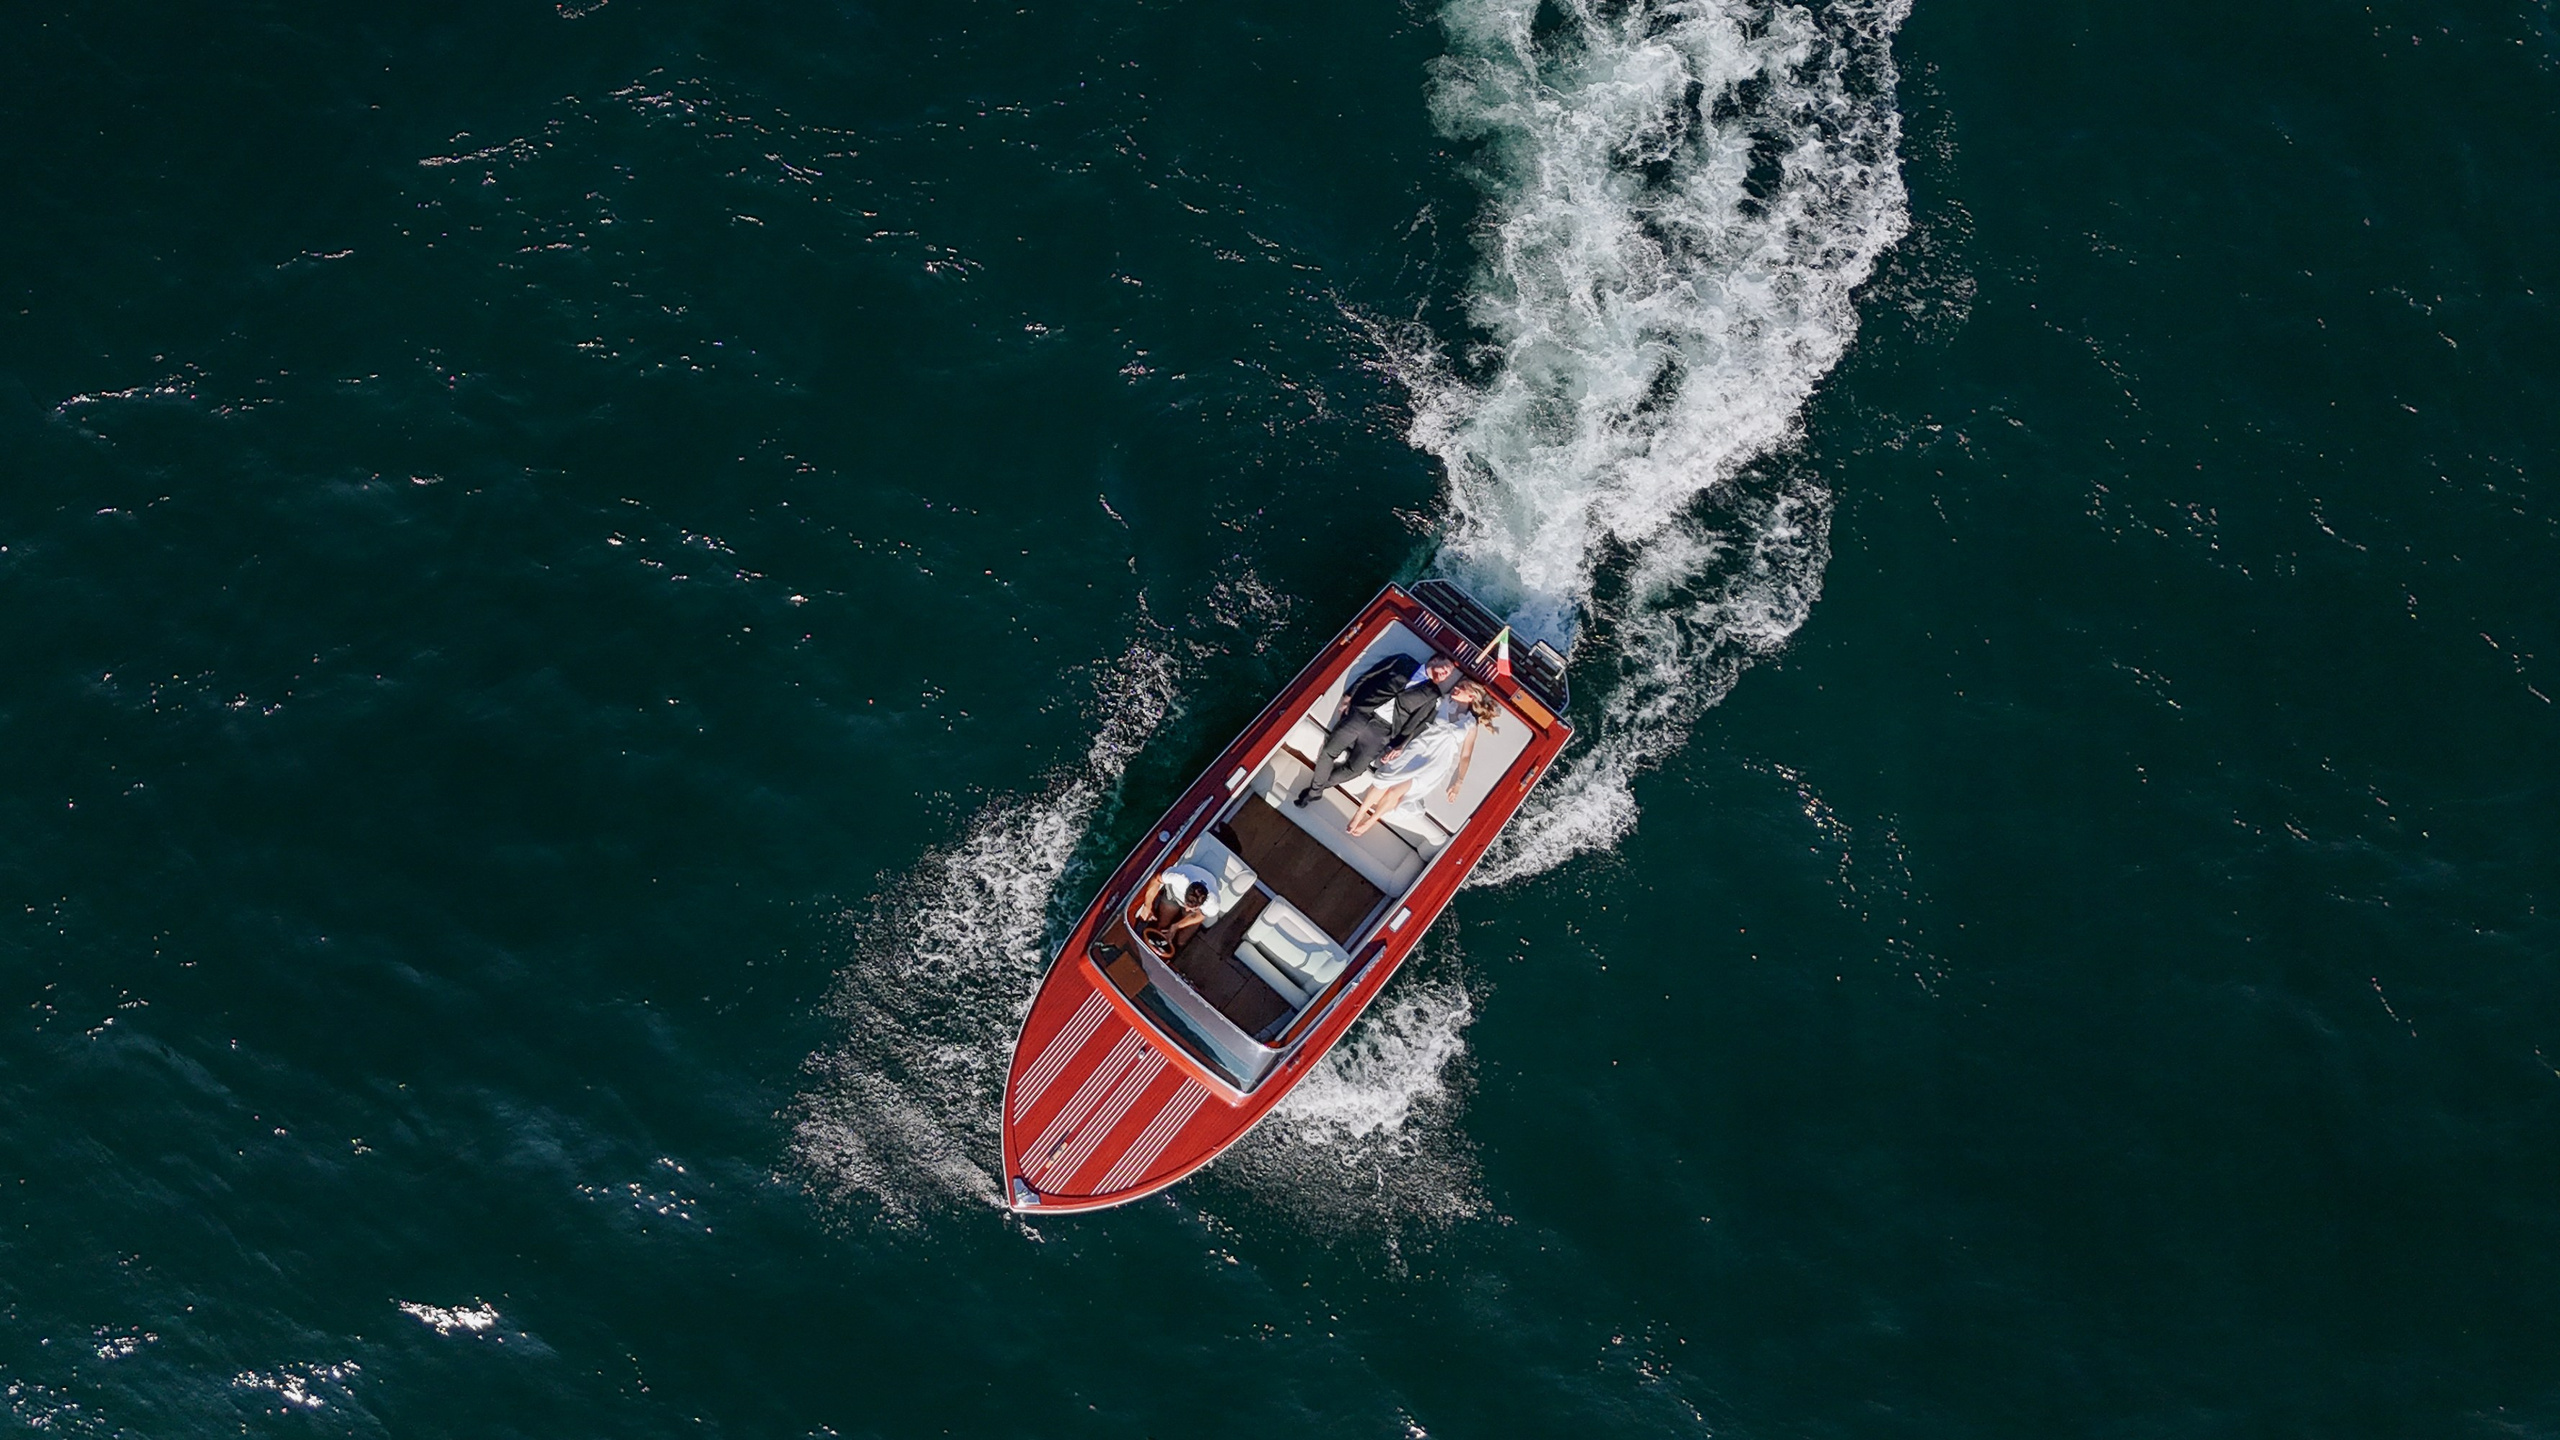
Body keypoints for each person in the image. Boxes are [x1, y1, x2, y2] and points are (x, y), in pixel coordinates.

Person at [1294, 653, 1457, 806]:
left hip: (1382, 730)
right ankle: (1315, 791)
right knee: (1328, 751)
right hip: (1362, 711)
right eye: (1446, 668)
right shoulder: (1403, 661)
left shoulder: (1432, 694)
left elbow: (1416, 724)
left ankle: (1316, 790)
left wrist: (1399, 746)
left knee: (1356, 769)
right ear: (1435, 660)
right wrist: (1348, 695)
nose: (1446, 674)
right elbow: (1370, 675)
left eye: (1448, 674)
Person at [1345, 681, 1499, 837]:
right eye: (1457, 685)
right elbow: (1418, 724)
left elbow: (1465, 756)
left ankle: (1370, 822)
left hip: (1437, 762)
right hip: (1419, 747)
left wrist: (1458, 782)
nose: (1456, 688)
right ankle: (1360, 813)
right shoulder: (1442, 701)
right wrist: (1401, 746)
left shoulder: (1470, 723)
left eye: (1462, 687)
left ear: (1471, 696)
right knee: (1385, 778)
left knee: (1394, 791)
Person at [1138, 861, 1218, 955]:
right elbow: (1156, 879)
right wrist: (1147, 906)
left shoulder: (1212, 902)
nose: (1187, 909)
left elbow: (1200, 916)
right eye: (1187, 905)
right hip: (1174, 896)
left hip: (1197, 912)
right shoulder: (1179, 877)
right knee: (1162, 925)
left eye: (1191, 908)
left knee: (1181, 940)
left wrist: (1176, 926)